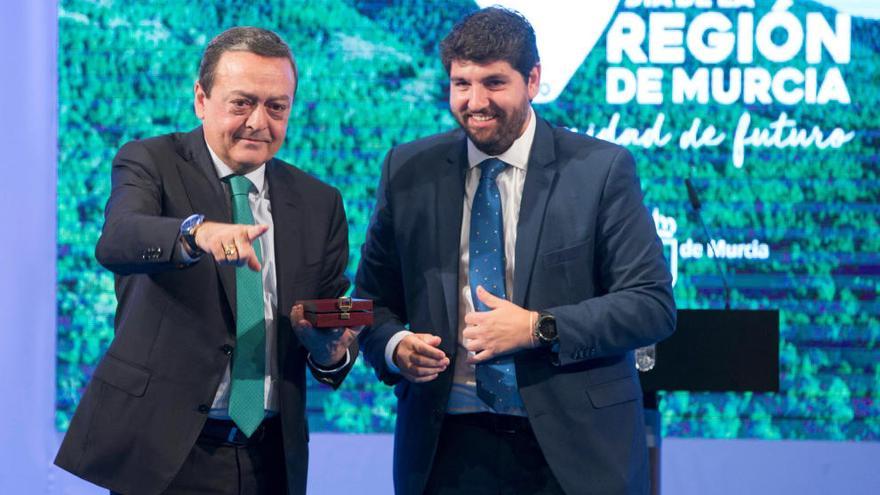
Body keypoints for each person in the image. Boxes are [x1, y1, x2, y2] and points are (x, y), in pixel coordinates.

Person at [355, 7, 675, 495]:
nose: (475, 101)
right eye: (461, 83)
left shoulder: (600, 170)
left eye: (493, 83)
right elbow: (371, 303)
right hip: (446, 451)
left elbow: (650, 306)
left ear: (534, 80)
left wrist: (536, 327)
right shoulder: (407, 171)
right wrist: (396, 347)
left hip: (574, 454)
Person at [55, 27, 359, 495]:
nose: (259, 122)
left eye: (277, 106)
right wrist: (197, 233)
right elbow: (118, 239)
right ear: (201, 99)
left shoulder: (320, 202)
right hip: (165, 456)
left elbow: (333, 323)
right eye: (242, 103)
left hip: (270, 459)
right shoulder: (150, 161)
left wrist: (332, 351)